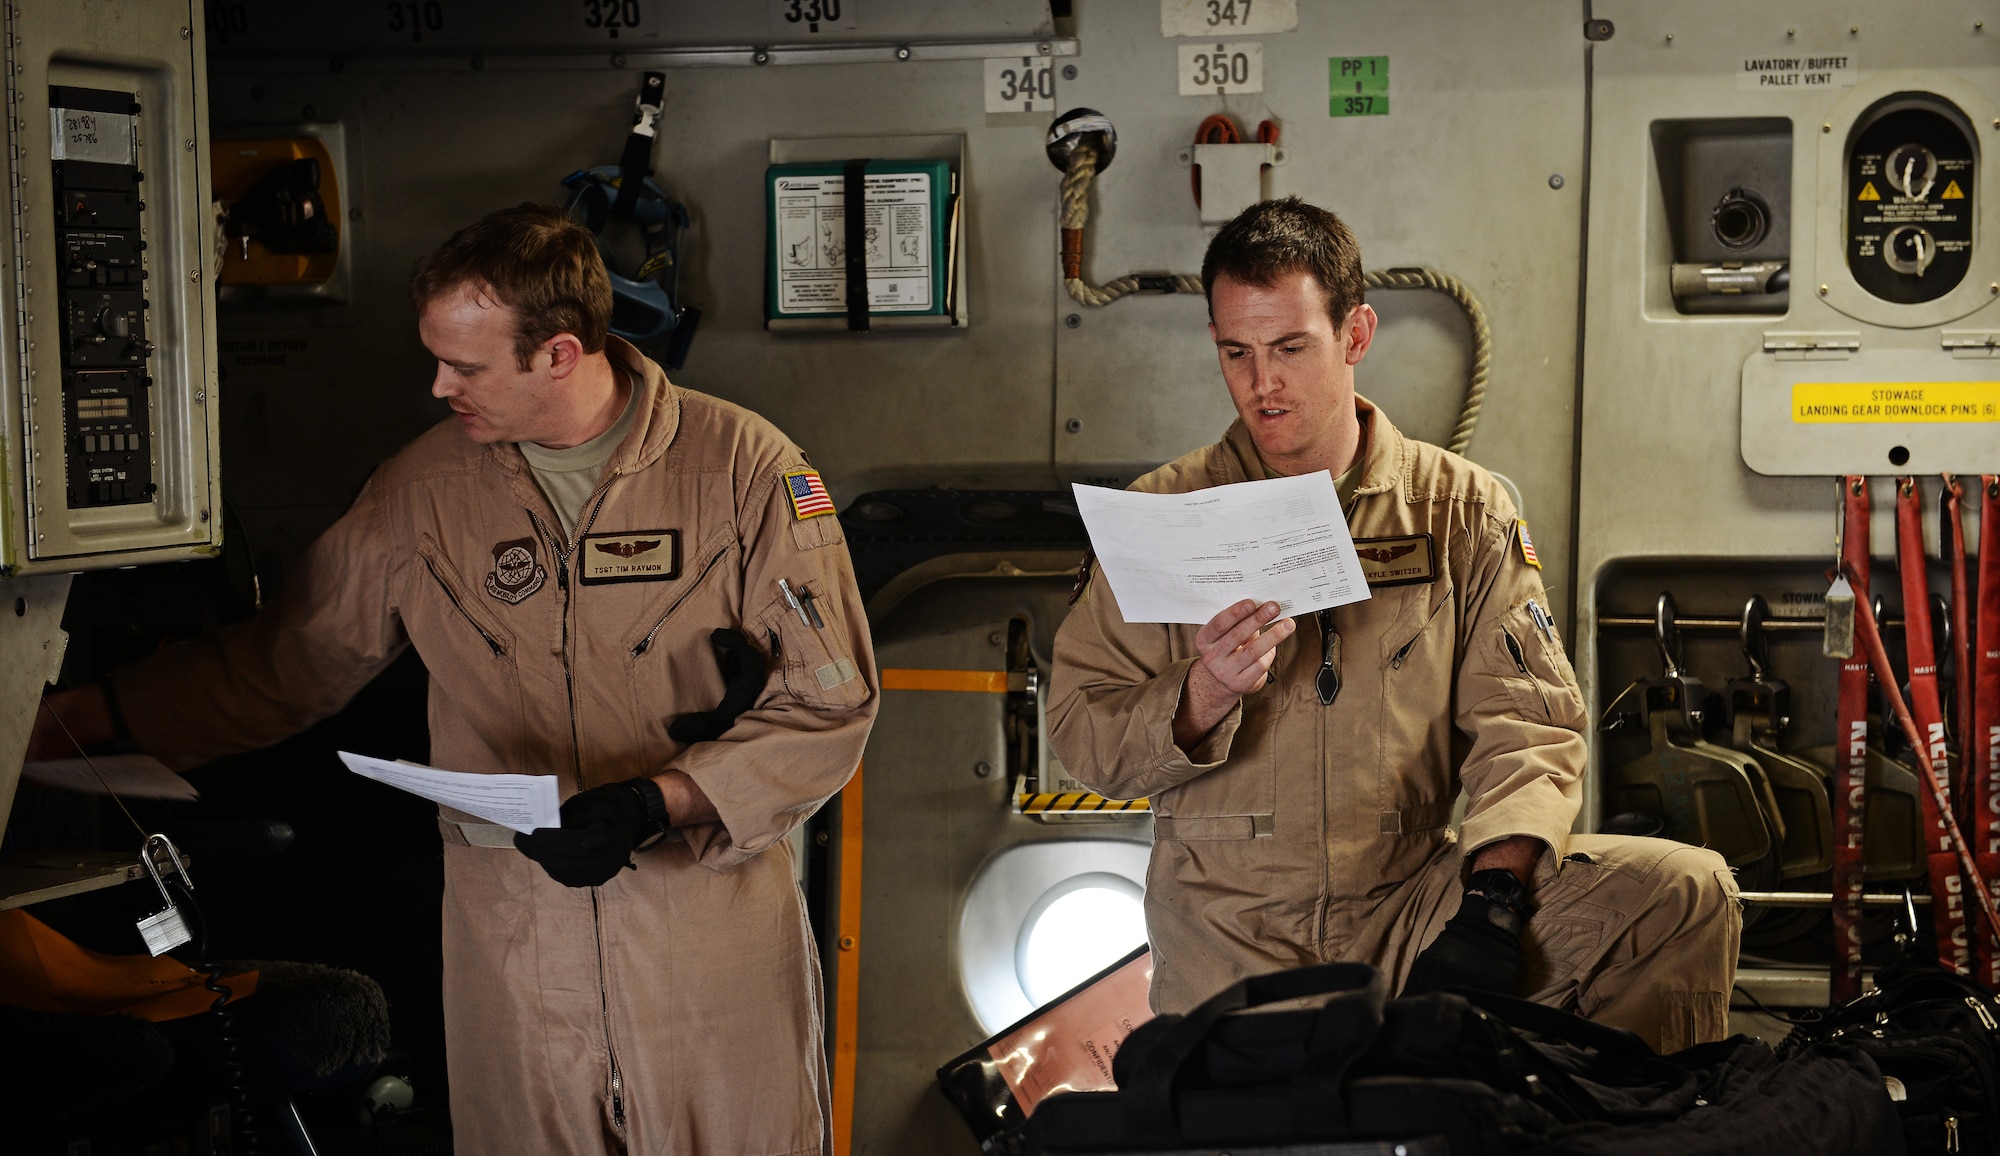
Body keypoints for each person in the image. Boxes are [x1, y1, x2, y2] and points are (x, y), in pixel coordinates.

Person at [30, 204, 878, 1153]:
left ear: (559, 353)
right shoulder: (423, 492)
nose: (439, 387)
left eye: (466, 366)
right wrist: (77, 719)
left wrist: (659, 802)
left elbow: (829, 708)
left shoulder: (746, 473)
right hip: (516, 946)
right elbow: (284, 665)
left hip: (707, 932)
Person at [1046, 197, 1739, 1052]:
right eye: (1238, 352)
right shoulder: (1161, 518)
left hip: (1414, 905)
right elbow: (1079, 734)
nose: (1264, 383)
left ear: (1356, 335)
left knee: (1682, 891)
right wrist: (1200, 694)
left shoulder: (1460, 511)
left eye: (1292, 348)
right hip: (1230, 933)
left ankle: (1606, 1122)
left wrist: (1489, 905)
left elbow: (1529, 727)